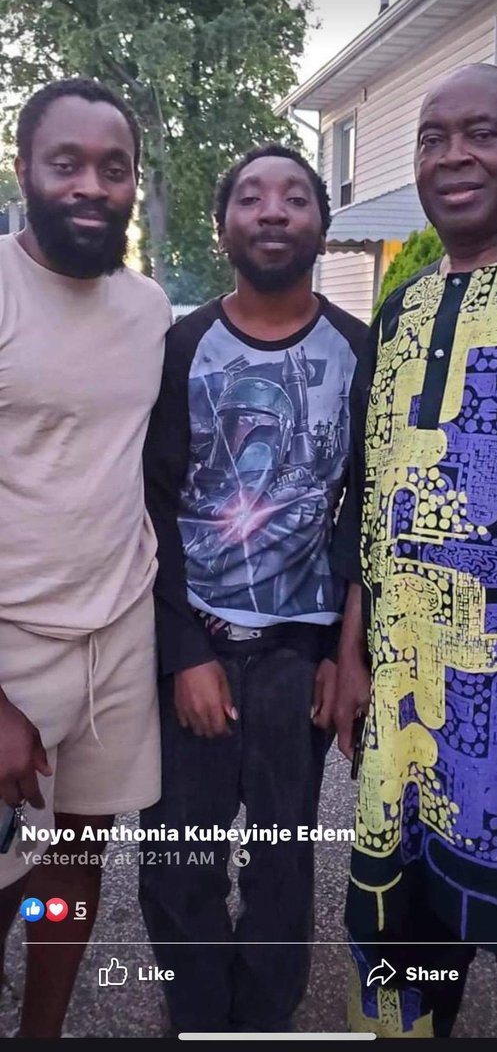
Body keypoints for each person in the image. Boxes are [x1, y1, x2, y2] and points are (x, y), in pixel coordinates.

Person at [332, 62, 497, 1039]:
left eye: (482, 133)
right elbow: (372, 491)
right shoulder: (401, 308)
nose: (453, 156)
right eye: (432, 138)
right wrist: (350, 651)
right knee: (404, 978)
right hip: (407, 715)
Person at [138, 144, 368, 1033]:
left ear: (322, 223)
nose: (273, 210)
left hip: (296, 657)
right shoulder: (180, 349)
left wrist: (340, 650)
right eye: (251, 197)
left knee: (282, 864)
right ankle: (200, 1017)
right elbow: (152, 504)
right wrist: (182, 653)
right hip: (193, 641)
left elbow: (363, 507)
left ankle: (263, 1021)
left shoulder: (358, 351)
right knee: (178, 863)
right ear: (222, 225)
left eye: (296, 196)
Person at [0, 78, 172, 1038]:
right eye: (66, 163)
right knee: (4, 869)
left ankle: (43, 1033)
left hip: (118, 629)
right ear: (26, 168)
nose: (92, 186)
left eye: (114, 168)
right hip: (10, 640)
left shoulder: (148, 309)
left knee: (73, 861)